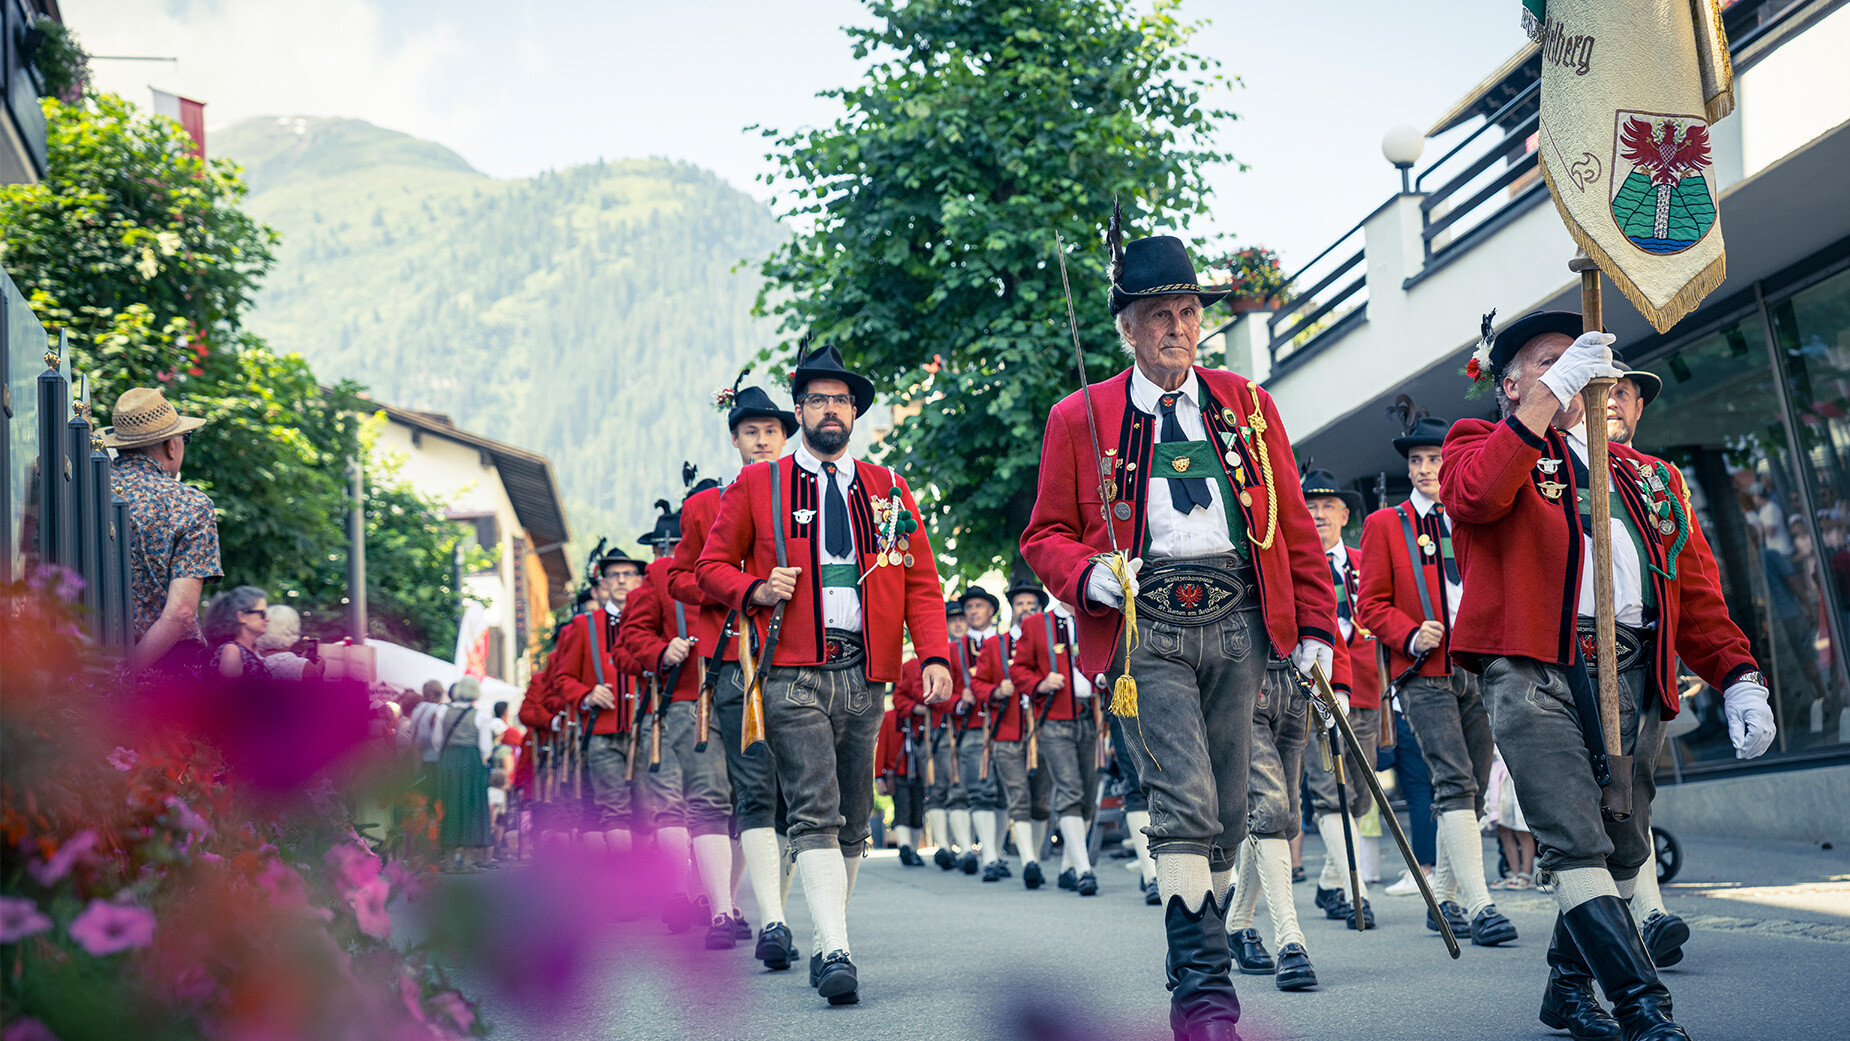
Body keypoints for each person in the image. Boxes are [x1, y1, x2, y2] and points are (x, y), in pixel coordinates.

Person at [1020, 226, 1339, 1041]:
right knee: (1184, 801)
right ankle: (1204, 993)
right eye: (1158, 313)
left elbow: (1294, 526)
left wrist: (1315, 627)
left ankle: (1192, 935)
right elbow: (1043, 535)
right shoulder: (1078, 415)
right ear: (1126, 327)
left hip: (1239, 624)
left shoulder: (1249, 407)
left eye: (1188, 311)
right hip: (1144, 629)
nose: (1176, 327)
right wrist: (1088, 572)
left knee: (1231, 811)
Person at [1444, 310, 1775, 1041]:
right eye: (1548, 360)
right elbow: (1476, 496)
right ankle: (1643, 1008)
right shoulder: (1479, 445)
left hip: (1630, 669)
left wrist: (1738, 672)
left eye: (1579, 358)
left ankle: (1567, 987)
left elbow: (1694, 589)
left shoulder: (1651, 475)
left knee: (1624, 848)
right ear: (1507, 386)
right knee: (1574, 836)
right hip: (1537, 668)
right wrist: (1547, 396)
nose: (1572, 368)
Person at [697, 341, 952, 1006]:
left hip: (867, 670)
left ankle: (825, 930)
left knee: (856, 815)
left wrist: (932, 654)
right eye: (817, 398)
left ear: (854, 411)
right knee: (814, 804)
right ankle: (834, 945)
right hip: (791, 668)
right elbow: (708, 567)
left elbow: (922, 582)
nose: (830, 408)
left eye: (841, 399)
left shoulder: (888, 488)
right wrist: (754, 588)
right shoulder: (759, 483)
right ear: (801, 409)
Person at [1355, 413, 1509, 945]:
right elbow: (1369, 604)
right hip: (1424, 673)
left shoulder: (1473, 517)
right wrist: (1408, 633)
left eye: (1435, 459)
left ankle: (1443, 899)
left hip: (1480, 666)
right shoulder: (1383, 525)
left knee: (1471, 785)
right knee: (1454, 781)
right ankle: (1481, 903)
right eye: (1417, 461)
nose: (1425, 469)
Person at [669, 377, 800, 972]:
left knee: (764, 792)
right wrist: (731, 587)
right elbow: (676, 578)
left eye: (772, 432)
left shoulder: (802, 497)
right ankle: (722, 909)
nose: (762, 441)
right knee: (721, 790)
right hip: (724, 660)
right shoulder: (701, 506)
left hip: (787, 659)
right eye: (751, 432)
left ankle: (744, 902)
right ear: (735, 439)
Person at [621, 499, 741, 950]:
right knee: (679, 802)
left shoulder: (742, 563)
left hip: (739, 697)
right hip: (684, 700)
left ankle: (724, 900)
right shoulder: (660, 576)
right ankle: (682, 895)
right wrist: (660, 650)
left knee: (734, 803)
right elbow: (632, 635)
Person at [1298, 469, 1382, 931]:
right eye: (1309, 507)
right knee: (1328, 792)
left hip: (1364, 687)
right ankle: (1356, 892)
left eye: (1328, 506)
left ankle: (1329, 883)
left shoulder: (1364, 560)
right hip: (1312, 690)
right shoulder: (1295, 567)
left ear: (1345, 515)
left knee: (1363, 794)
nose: (1318, 515)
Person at [103, 387, 222, 678]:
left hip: (78, 661)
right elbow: (181, 612)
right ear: (172, 445)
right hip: (162, 670)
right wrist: (125, 676)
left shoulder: (83, 490)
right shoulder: (190, 504)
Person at [547, 549, 651, 852]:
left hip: (646, 731)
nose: (621, 580)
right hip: (602, 733)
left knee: (649, 813)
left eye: (628, 574)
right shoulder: (584, 625)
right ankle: (626, 885)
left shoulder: (652, 622)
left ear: (640, 580)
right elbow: (562, 679)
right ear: (603, 582)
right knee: (614, 811)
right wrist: (587, 695)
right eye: (614, 575)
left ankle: (650, 880)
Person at [1007, 597, 1103, 897]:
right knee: (1070, 790)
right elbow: (1018, 670)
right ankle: (1084, 869)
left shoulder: (1096, 617)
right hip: (1054, 720)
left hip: (1091, 718)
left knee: (1088, 796)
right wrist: (1040, 683)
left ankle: (1067, 867)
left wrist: (1102, 677)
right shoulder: (1036, 624)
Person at [974, 580, 1056, 888]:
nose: (1025, 608)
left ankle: (1034, 855)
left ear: (1040, 606)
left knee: (1041, 802)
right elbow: (978, 684)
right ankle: (1028, 862)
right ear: (1013, 608)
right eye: (1019, 603)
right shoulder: (996, 644)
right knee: (1018, 797)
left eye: (1030, 603)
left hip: (1044, 730)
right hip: (1007, 731)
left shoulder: (1050, 643)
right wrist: (996, 690)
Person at [951, 589, 1005, 877]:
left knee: (1003, 794)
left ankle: (997, 852)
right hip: (972, 728)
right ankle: (990, 857)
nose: (972, 611)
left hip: (1005, 725)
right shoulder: (953, 648)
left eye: (979, 606)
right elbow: (940, 692)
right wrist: (960, 699)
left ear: (991, 611)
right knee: (980, 792)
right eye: (969, 606)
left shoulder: (1006, 643)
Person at [918, 600, 975, 872]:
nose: (958, 624)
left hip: (973, 729)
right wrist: (956, 702)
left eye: (961, 619)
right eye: (951, 622)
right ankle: (943, 845)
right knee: (943, 787)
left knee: (964, 789)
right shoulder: (941, 654)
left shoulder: (979, 648)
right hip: (945, 729)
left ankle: (966, 847)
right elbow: (929, 693)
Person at [433, 677, 496, 871]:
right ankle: (468, 860)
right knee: (471, 807)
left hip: (449, 761)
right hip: (471, 761)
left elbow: (437, 741)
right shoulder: (481, 715)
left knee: (449, 805)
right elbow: (486, 748)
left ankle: (449, 860)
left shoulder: (443, 711)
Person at [201, 585, 274, 680]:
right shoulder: (232, 650)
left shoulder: (240, 650)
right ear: (241, 616)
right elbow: (232, 693)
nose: (267, 619)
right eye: (262, 613)